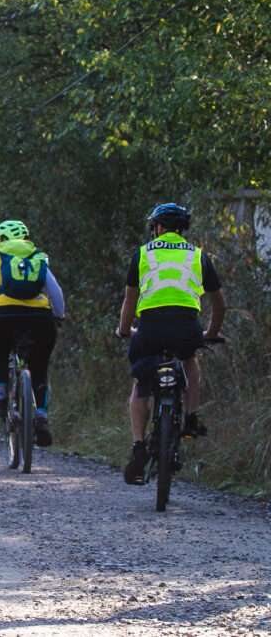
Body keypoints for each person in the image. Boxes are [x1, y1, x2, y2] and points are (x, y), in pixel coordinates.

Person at [116, 203, 226, 485]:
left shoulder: (143, 253)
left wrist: (124, 329)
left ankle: (139, 446)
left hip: (150, 328)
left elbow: (130, 300)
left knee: (141, 380)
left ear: (159, 228)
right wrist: (210, 334)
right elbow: (219, 304)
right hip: (186, 327)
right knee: (190, 360)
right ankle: (190, 417)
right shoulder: (198, 255)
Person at [0, 219, 65, 447]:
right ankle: (41, 418)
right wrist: (59, 316)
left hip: (6, 316)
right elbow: (55, 292)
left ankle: (0, 398)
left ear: (2, 240)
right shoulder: (39, 257)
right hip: (41, 318)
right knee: (39, 368)